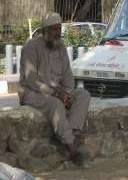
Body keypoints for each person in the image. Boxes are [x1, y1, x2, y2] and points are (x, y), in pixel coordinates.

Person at [18, 12, 90, 166]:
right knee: (55, 105)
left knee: (83, 95)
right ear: (44, 31)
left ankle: (70, 134)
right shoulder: (31, 47)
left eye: (59, 29)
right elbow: (31, 81)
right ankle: (72, 149)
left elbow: (68, 76)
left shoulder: (61, 48)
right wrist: (56, 94)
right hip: (31, 92)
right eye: (53, 29)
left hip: (58, 92)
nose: (57, 33)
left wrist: (68, 94)